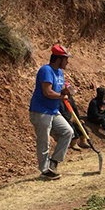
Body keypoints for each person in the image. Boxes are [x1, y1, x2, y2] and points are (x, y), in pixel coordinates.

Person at [28, 44, 74, 180]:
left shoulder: (60, 72)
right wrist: (61, 96)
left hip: (53, 111)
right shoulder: (46, 70)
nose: (67, 62)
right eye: (66, 59)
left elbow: (60, 88)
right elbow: (47, 92)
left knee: (68, 132)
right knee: (44, 141)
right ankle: (45, 170)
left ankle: (53, 162)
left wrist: (67, 91)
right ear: (59, 59)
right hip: (41, 111)